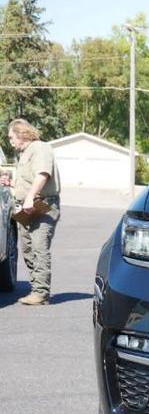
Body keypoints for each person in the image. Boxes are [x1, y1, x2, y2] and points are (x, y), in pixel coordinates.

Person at [5, 119, 61, 305]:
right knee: (28, 248)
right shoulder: (24, 154)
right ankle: (36, 288)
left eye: (11, 137)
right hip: (27, 208)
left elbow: (42, 174)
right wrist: (11, 183)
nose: (10, 141)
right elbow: (27, 181)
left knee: (39, 248)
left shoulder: (40, 148)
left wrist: (30, 197)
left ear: (22, 134)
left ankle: (41, 293)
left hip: (41, 206)